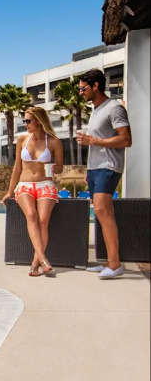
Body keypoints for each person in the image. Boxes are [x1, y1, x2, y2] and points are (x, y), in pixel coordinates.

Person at [77, 68, 132, 279]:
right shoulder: (96, 110)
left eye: (83, 88)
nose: (81, 92)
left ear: (96, 86)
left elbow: (125, 139)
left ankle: (115, 264)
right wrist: (88, 169)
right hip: (95, 168)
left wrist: (93, 140)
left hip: (109, 166)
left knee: (101, 210)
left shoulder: (114, 108)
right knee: (102, 212)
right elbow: (97, 143)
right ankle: (110, 261)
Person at [3, 106, 63, 276]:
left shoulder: (54, 141)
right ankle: (43, 259)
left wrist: (57, 168)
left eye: (28, 121)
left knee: (43, 221)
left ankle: (35, 263)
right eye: (24, 121)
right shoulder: (22, 139)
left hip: (46, 185)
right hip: (25, 185)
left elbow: (60, 168)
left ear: (39, 120)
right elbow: (17, 167)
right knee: (31, 215)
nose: (25, 124)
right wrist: (9, 191)